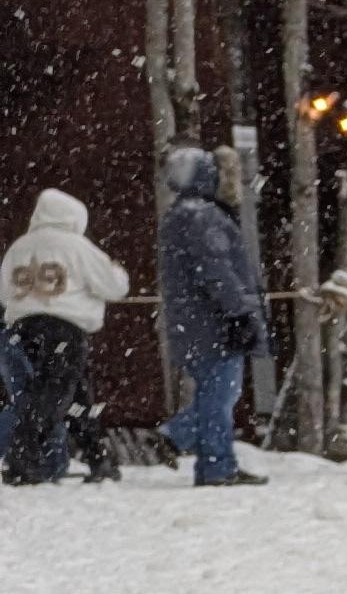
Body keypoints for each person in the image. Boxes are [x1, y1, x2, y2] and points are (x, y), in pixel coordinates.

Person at [156, 145, 267, 488]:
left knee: (215, 392)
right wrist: (239, 312)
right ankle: (191, 446)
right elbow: (217, 270)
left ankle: (213, 464)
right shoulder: (204, 216)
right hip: (213, 322)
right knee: (221, 395)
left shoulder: (178, 215)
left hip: (189, 321)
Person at [2, 188, 129, 486]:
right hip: (64, 328)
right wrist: (118, 272)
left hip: (22, 328)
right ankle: (25, 454)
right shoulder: (76, 246)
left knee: (66, 393)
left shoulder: (19, 247)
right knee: (58, 392)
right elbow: (113, 286)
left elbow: (3, 291)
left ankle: (98, 456)